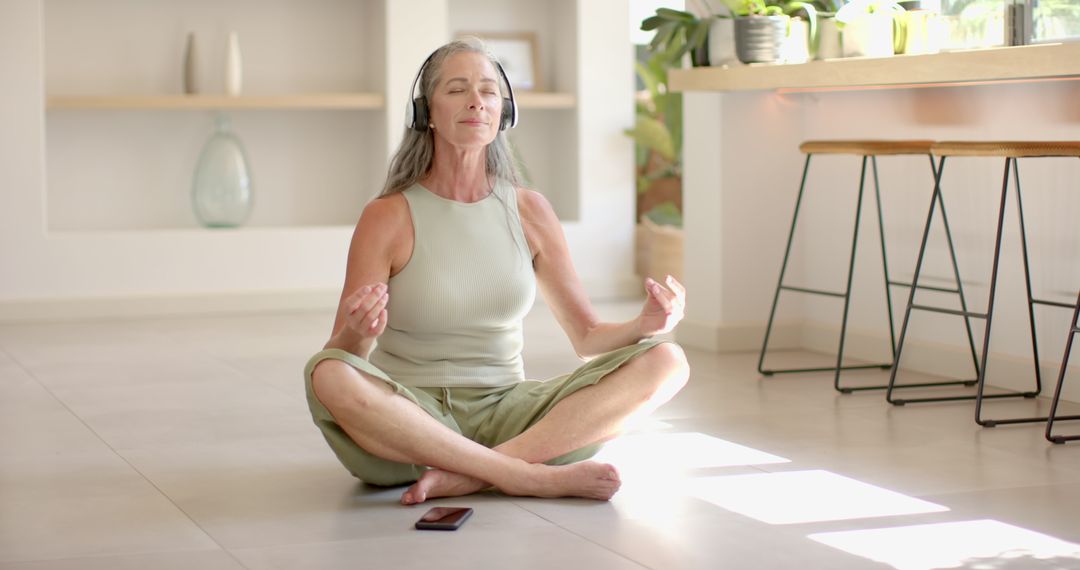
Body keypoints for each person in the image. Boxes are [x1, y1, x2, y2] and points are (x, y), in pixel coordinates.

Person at [304, 38, 689, 506]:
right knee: (327, 373)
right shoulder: (387, 215)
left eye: (488, 91)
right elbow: (347, 355)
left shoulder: (529, 210)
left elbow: (587, 337)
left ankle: (471, 474)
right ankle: (526, 476)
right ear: (426, 112)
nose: (476, 101)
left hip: (509, 412)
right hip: (411, 421)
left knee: (668, 361)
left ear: (503, 112)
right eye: (457, 89)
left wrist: (644, 325)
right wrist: (355, 332)